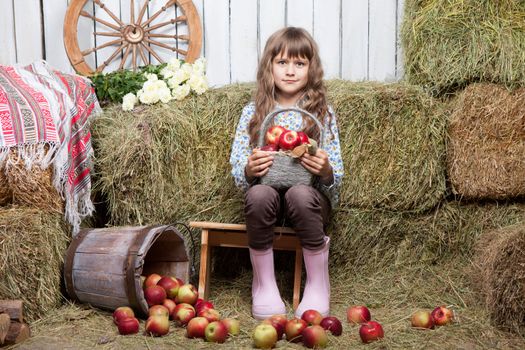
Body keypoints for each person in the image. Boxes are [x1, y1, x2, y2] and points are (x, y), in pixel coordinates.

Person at [229, 27, 344, 320]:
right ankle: (264, 284)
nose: (290, 71)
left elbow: (336, 175)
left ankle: (318, 284)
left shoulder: (321, 114)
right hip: (268, 200)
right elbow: (239, 165)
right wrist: (250, 169)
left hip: (308, 202)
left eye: (299, 64)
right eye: (282, 63)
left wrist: (325, 170)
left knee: (300, 193)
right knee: (257, 194)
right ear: (269, 66)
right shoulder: (254, 113)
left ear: (311, 68)